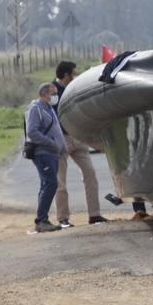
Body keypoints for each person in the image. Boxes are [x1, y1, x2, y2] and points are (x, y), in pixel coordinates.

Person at [52, 61, 108, 226]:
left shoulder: (74, 88)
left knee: (90, 174)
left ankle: (95, 214)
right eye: (73, 74)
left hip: (78, 138)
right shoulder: (52, 91)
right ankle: (63, 218)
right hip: (61, 139)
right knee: (60, 181)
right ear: (66, 75)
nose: (75, 77)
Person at [25, 82, 67, 233]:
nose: (55, 96)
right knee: (50, 183)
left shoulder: (49, 108)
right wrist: (51, 143)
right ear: (43, 94)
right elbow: (32, 131)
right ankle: (41, 220)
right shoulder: (36, 109)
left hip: (53, 153)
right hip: (43, 153)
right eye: (53, 93)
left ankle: (43, 219)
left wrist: (61, 147)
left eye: (56, 93)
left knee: (47, 184)